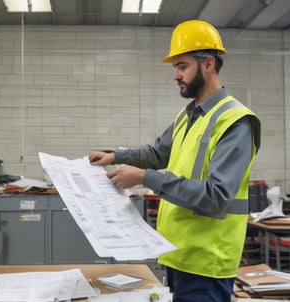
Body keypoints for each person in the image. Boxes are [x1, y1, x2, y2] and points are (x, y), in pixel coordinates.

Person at [89, 20, 261, 302]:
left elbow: (216, 195)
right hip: (178, 254)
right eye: (175, 68)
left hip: (206, 262)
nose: (176, 75)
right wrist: (115, 156)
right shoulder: (188, 115)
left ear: (207, 64)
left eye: (182, 66)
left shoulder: (235, 122)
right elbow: (157, 154)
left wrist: (145, 178)